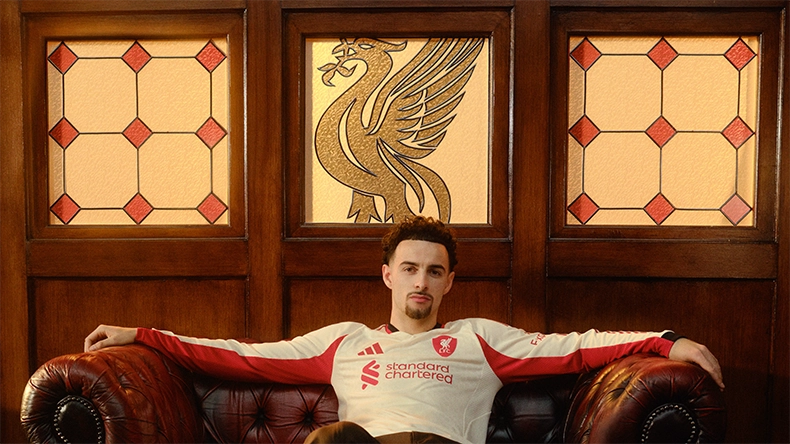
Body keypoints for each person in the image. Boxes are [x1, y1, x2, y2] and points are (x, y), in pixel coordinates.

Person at [85, 216, 723, 444]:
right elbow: (242, 358)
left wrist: (667, 342)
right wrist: (141, 333)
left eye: (435, 272)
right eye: (410, 268)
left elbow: (577, 346)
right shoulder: (344, 341)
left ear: (449, 283)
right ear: (387, 274)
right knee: (334, 441)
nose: (421, 282)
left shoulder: (479, 338)